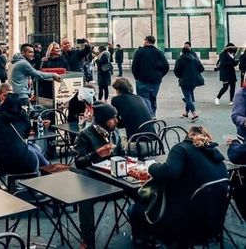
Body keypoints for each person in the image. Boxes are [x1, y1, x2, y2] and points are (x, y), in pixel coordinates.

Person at [128, 126, 228, 247]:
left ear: (188, 136)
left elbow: (168, 172)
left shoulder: (182, 149)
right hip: (213, 223)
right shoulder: (217, 157)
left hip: (184, 225)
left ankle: (148, 242)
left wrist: (151, 167)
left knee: (134, 210)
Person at [74, 103, 123, 249]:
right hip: (95, 182)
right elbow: (78, 162)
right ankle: (87, 241)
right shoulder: (85, 135)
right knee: (85, 201)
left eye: (116, 117)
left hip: (117, 178)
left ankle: (143, 234)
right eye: (112, 118)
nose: (116, 121)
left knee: (143, 190)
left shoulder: (115, 132)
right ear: (102, 119)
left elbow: (122, 154)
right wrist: (96, 154)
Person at [0, 93, 49, 176]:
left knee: (33, 149)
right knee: (34, 156)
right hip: (23, 161)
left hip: (1, 162)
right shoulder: (23, 116)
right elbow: (25, 136)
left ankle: (4, 185)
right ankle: (36, 183)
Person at [131, 35, 169, 117]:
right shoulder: (159, 52)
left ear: (147, 41)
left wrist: (136, 77)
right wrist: (160, 76)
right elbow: (166, 66)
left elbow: (134, 66)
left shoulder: (140, 52)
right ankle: (153, 114)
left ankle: (149, 115)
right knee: (153, 98)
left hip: (142, 80)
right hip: (155, 81)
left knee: (144, 99)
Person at [174, 42, 205, 121]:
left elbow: (176, 71)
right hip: (194, 81)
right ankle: (186, 113)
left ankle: (194, 113)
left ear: (182, 52)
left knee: (187, 97)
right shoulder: (195, 59)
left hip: (184, 81)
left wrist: (180, 76)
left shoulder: (180, 59)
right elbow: (201, 68)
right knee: (189, 96)